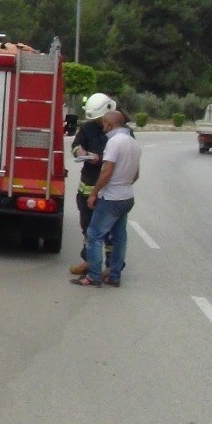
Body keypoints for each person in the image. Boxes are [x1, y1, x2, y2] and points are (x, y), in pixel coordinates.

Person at [72, 109, 142, 288]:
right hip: (127, 197)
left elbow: (107, 171)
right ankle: (114, 275)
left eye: (104, 124)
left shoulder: (114, 142)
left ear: (109, 124)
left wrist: (95, 193)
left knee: (94, 235)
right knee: (119, 237)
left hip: (111, 198)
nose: (103, 127)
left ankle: (93, 276)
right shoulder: (132, 143)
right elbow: (136, 175)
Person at [68, 92, 115, 276]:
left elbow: (119, 157)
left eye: (100, 118)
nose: (99, 122)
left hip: (108, 189)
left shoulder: (119, 130)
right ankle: (88, 261)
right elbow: (75, 145)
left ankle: (110, 266)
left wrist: (100, 159)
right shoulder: (88, 128)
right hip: (87, 185)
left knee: (110, 231)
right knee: (87, 227)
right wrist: (79, 151)